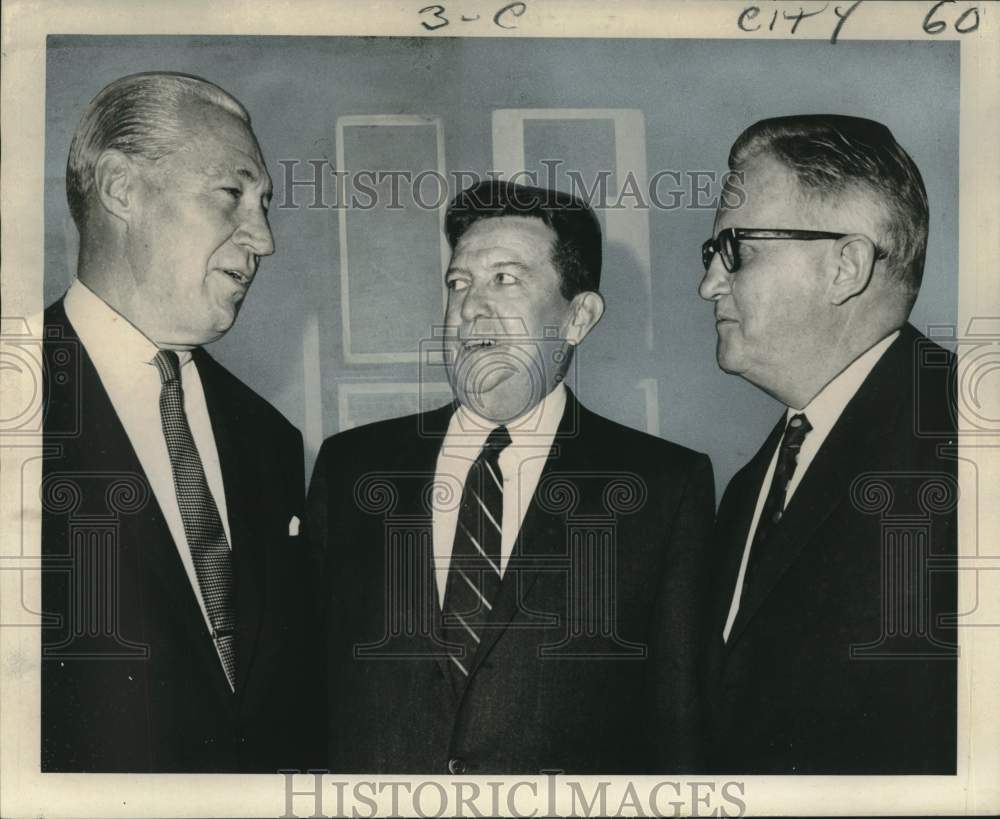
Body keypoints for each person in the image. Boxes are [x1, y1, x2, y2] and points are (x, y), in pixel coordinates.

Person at [307, 181, 715, 774]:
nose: (471, 306)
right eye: (458, 283)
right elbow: (303, 697)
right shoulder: (351, 469)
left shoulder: (663, 489)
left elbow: (678, 731)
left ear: (578, 316)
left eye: (505, 278)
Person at [41, 71, 317, 772]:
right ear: (121, 188)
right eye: (233, 194)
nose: (263, 240)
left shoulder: (269, 439)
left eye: (265, 205)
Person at [698, 114, 957, 774]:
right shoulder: (750, 486)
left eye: (738, 250)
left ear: (845, 265)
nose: (709, 285)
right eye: (712, 256)